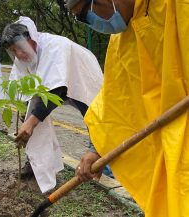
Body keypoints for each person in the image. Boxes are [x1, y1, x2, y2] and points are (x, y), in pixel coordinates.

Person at [66, 0, 189, 216]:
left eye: (85, 15)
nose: (89, 23)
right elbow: (116, 101)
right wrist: (96, 149)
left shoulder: (176, 5)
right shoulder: (121, 40)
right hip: (169, 147)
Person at [1, 16, 104, 192]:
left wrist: (31, 121)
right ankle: (36, 164)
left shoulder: (55, 46)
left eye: (19, 47)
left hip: (83, 79)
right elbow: (22, 87)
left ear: (31, 38)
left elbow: (56, 91)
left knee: (95, 121)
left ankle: (105, 165)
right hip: (59, 88)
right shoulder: (23, 59)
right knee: (33, 120)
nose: (18, 54)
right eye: (12, 50)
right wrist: (25, 112)